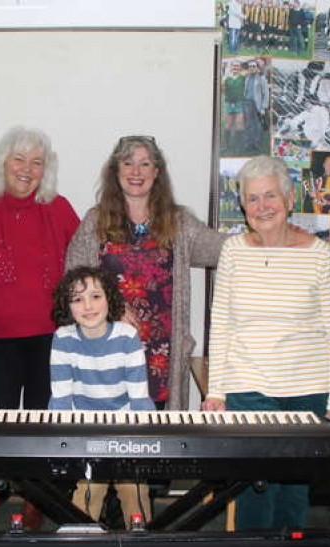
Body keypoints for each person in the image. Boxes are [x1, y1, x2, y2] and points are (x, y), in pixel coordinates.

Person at [202, 155, 330, 529]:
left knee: (293, 493)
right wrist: (216, 391)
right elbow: (221, 325)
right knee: (253, 489)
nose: (262, 206)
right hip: (246, 387)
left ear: (288, 198)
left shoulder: (319, 254)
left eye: (270, 196)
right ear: (243, 206)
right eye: (252, 198)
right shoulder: (233, 250)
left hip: (307, 391)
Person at [0, 126, 80, 532]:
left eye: (37, 162)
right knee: (2, 419)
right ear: (2, 162)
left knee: (42, 420)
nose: (27, 170)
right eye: (19, 159)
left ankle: (35, 494)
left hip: (52, 335)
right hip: (1, 336)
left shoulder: (59, 208)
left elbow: (86, 261)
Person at [66, 135, 226, 410]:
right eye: (128, 163)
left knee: (157, 439)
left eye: (145, 164)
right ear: (116, 171)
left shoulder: (178, 222)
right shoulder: (96, 221)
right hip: (108, 352)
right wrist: (111, 306)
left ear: (157, 172)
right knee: (108, 439)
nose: (136, 172)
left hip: (161, 358)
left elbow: (223, 250)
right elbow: (73, 278)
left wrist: (266, 237)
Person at [48, 265, 155, 527]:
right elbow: (61, 400)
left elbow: (140, 399)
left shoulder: (127, 337)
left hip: (125, 427)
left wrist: (141, 445)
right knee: (86, 496)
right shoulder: (63, 339)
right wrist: (67, 447)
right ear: (68, 306)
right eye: (77, 299)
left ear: (109, 299)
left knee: (135, 492)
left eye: (96, 296)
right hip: (84, 428)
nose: (88, 306)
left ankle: (142, 546)